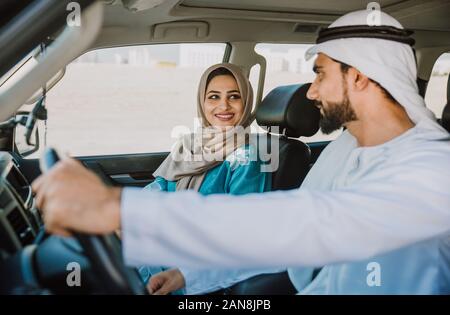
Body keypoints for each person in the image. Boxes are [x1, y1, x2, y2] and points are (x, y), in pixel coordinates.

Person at [32, 9, 450, 294]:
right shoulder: (346, 148)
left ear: (358, 77)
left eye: (320, 74)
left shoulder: (433, 169)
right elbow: (276, 240)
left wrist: (119, 210)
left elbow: (303, 223)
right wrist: (188, 276)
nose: (310, 91)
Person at [138, 63, 283, 295]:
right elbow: (159, 188)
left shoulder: (246, 159)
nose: (223, 106)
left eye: (234, 97)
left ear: (246, 103)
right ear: (202, 102)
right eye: (213, 97)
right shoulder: (190, 143)